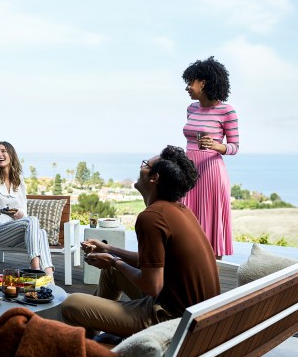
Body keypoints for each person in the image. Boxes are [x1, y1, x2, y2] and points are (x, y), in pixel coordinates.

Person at [61, 146, 220, 338]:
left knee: (71, 304)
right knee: (112, 273)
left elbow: (152, 285)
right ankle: (93, 334)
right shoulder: (179, 210)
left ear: (154, 178)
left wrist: (113, 261)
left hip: (171, 320)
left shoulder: (151, 217)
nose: (141, 167)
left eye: (146, 164)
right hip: (195, 314)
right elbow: (154, 263)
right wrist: (110, 250)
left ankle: (88, 342)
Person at [181, 56, 239, 259]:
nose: (187, 87)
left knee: (210, 228)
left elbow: (234, 146)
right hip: (187, 171)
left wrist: (217, 146)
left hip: (211, 173)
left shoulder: (227, 110)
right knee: (186, 225)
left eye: (190, 82)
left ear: (203, 83)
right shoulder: (191, 109)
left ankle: (213, 277)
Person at [0, 141, 54, 275]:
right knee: (32, 220)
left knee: (42, 233)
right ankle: (35, 271)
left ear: (11, 155)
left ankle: (49, 277)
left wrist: (17, 214)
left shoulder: (19, 180)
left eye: (3, 151)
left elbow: (23, 212)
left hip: (13, 231)